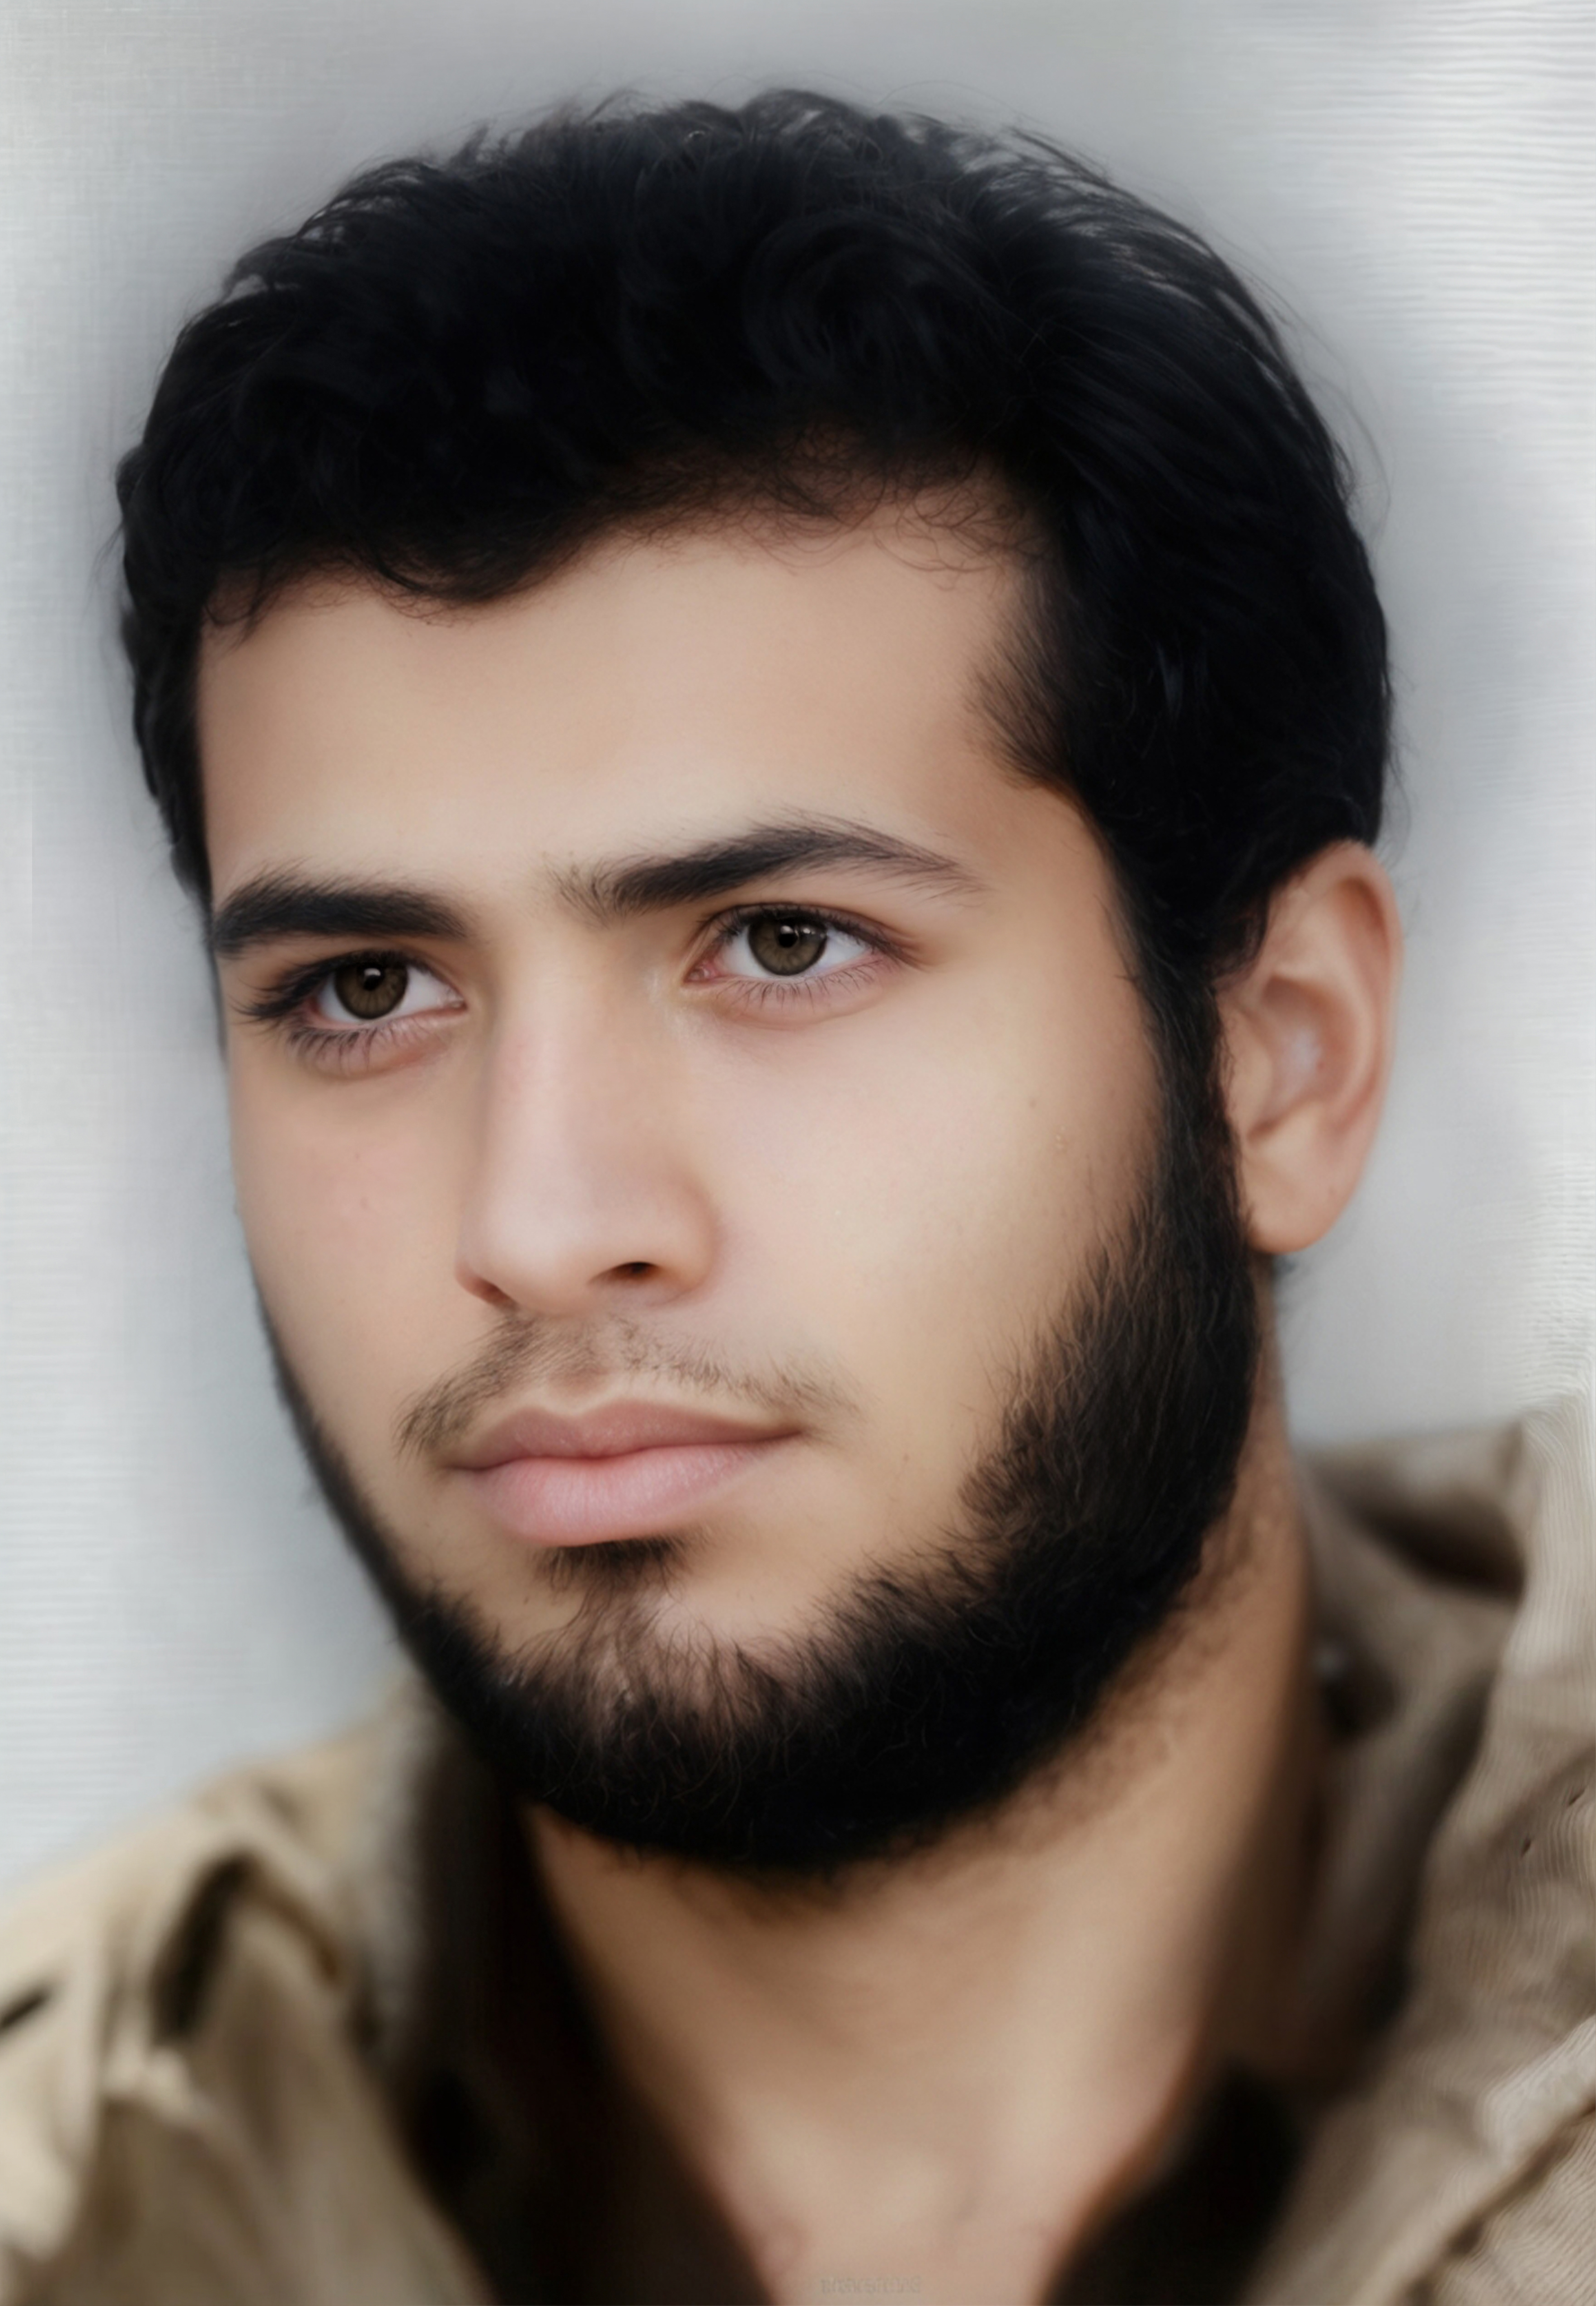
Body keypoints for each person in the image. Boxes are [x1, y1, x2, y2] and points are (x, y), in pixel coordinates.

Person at [0, 88, 1591, 2306]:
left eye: (779, 942)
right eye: (366, 988)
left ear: (1282, 1055)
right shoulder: (70, 2195)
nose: (538, 1221)